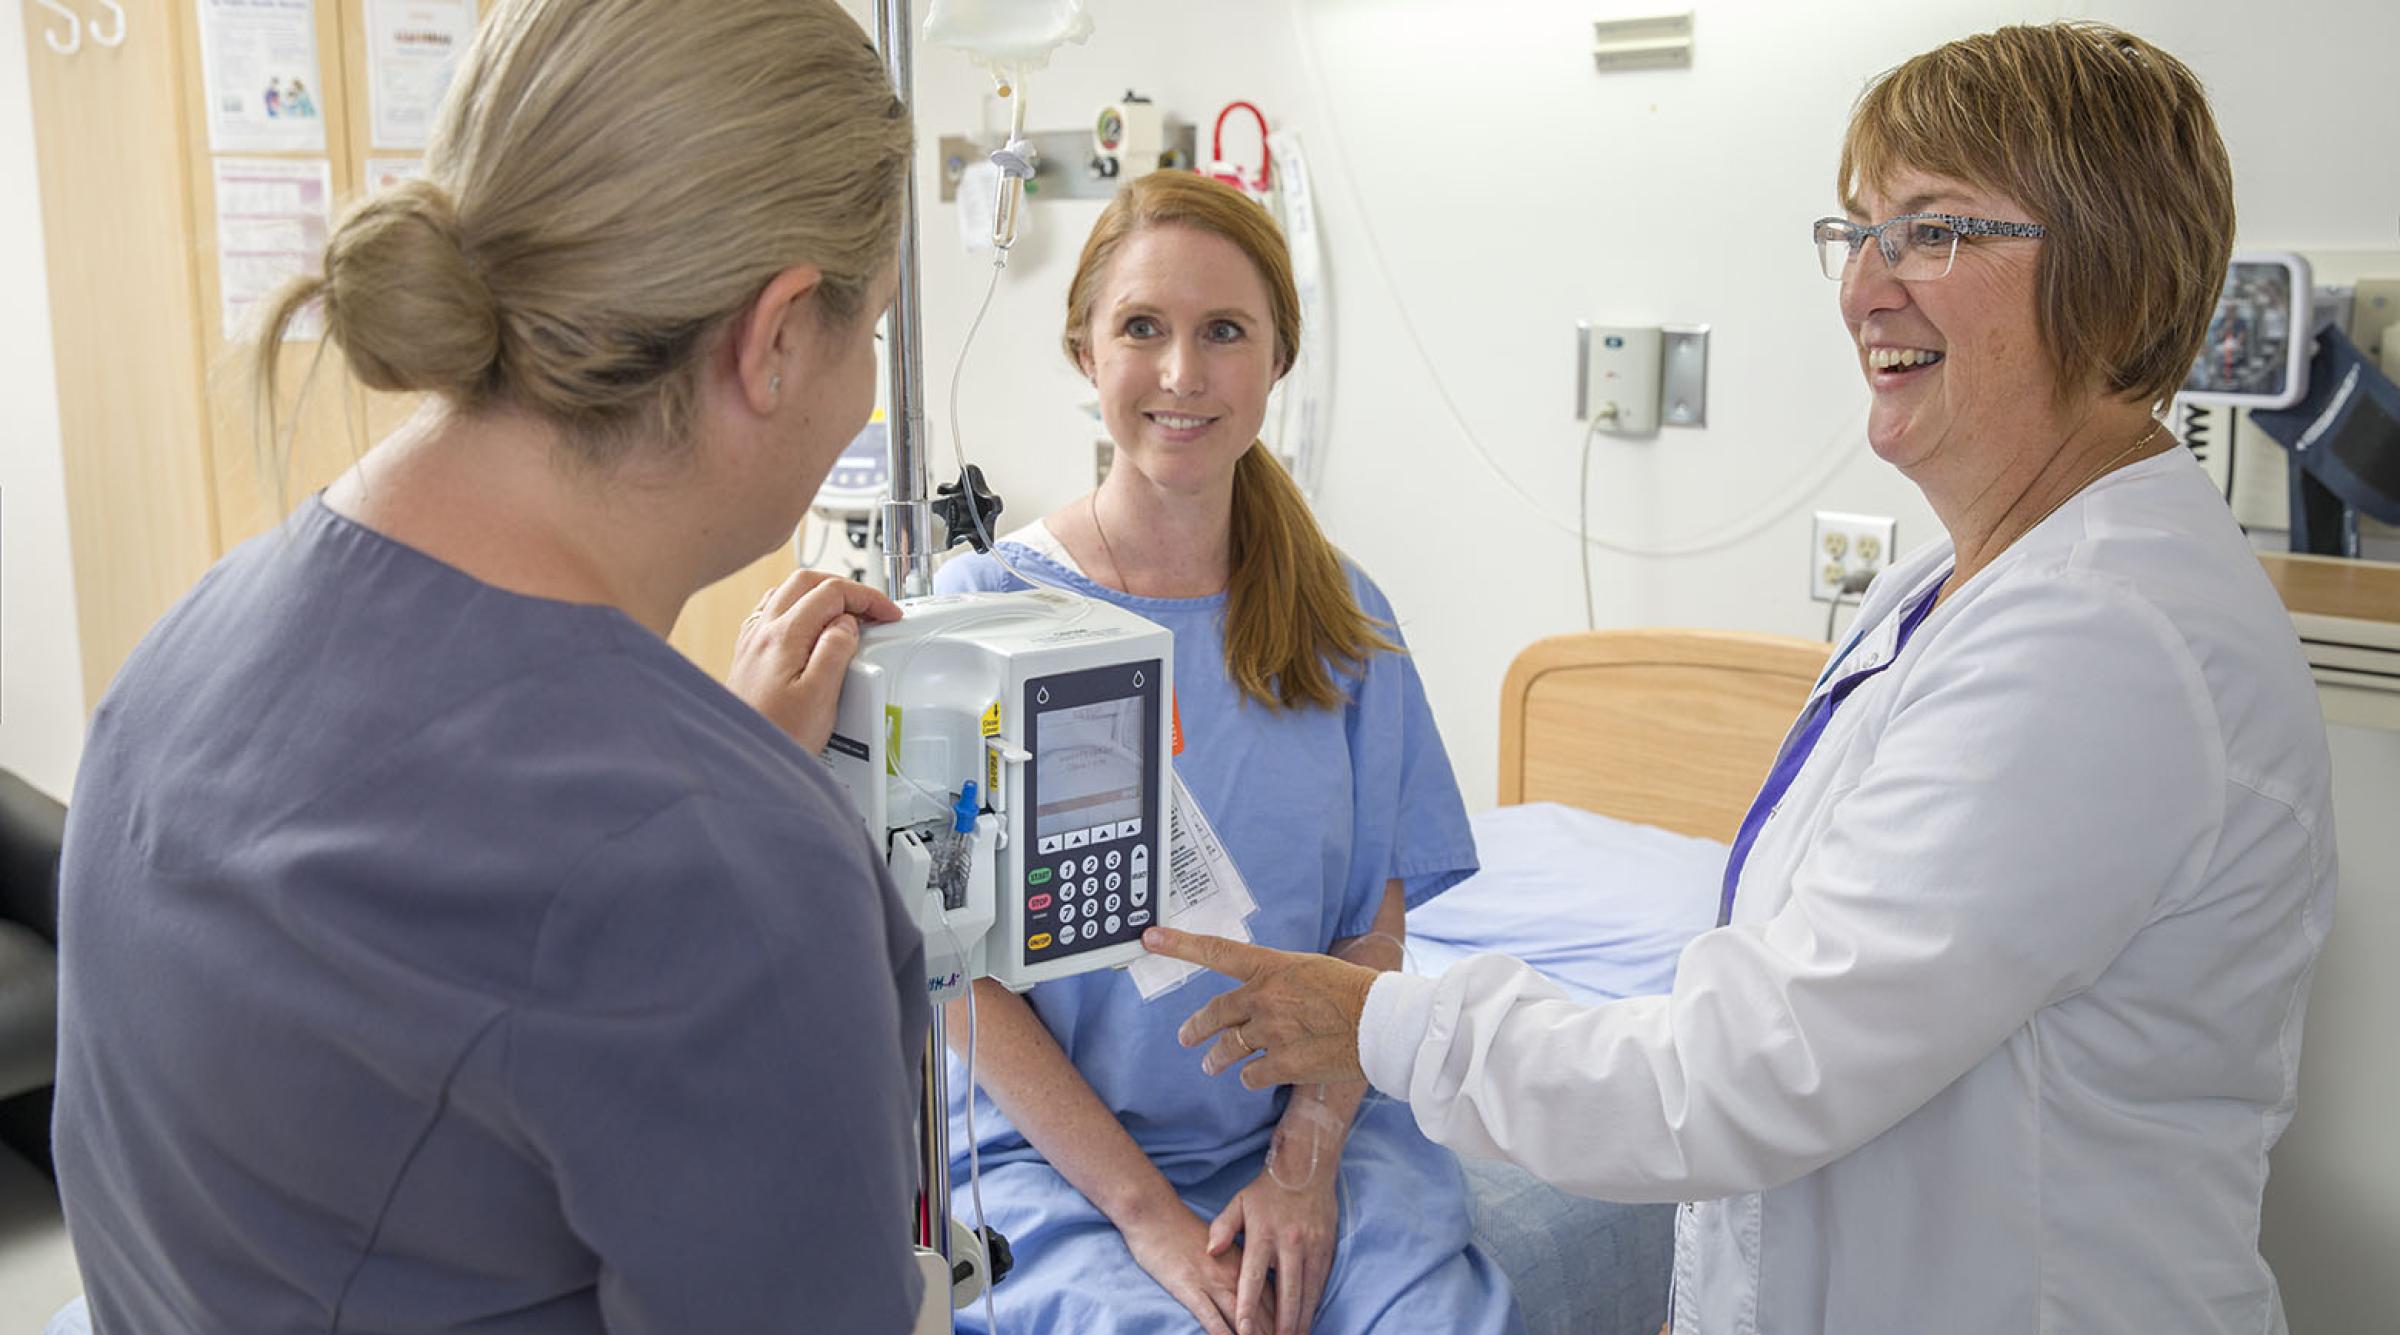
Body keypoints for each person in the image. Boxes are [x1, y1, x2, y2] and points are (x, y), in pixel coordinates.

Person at [1150, 23, 2334, 1335]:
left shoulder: (2101, 645)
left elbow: (1747, 1071)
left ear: (2109, 273)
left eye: (1932, 231)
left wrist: (1384, 1022)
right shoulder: (1954, 591)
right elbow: (1798, 1006)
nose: (1864, 290)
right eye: (1858, 233)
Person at [53, 2, 925, 1330]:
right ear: (780, 334)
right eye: (872, 332)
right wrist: (729, 818)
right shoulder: (723, 870)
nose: (862, 384)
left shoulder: (187, 652)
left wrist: (714, 764)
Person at [935, 171, 1523, 1335]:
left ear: (1276, 360)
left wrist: (1304, 1163)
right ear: (1084, 349)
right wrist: (1147, 1218)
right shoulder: (986, 614)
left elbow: (1372, 934)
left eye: (1224, 333)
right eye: (1142, 328)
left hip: (1315, 1128)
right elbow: (962, 984)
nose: (1182, 374)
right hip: (1057, 1159)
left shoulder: (1345, 621)